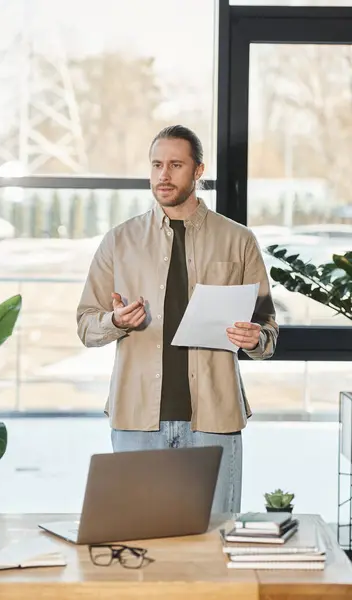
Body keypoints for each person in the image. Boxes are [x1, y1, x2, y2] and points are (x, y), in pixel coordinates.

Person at [77, 125, 278, 515]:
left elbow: (268, 331)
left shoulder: (238, 240)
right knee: (139, 544)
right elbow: (86, 324)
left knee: (214, 543)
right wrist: (116, 321)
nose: (163, 175)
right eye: (156, 165)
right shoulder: (119, 241)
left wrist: (254, 339)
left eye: (175, 165)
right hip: (137, 422)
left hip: (214, 421)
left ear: (198, 170)